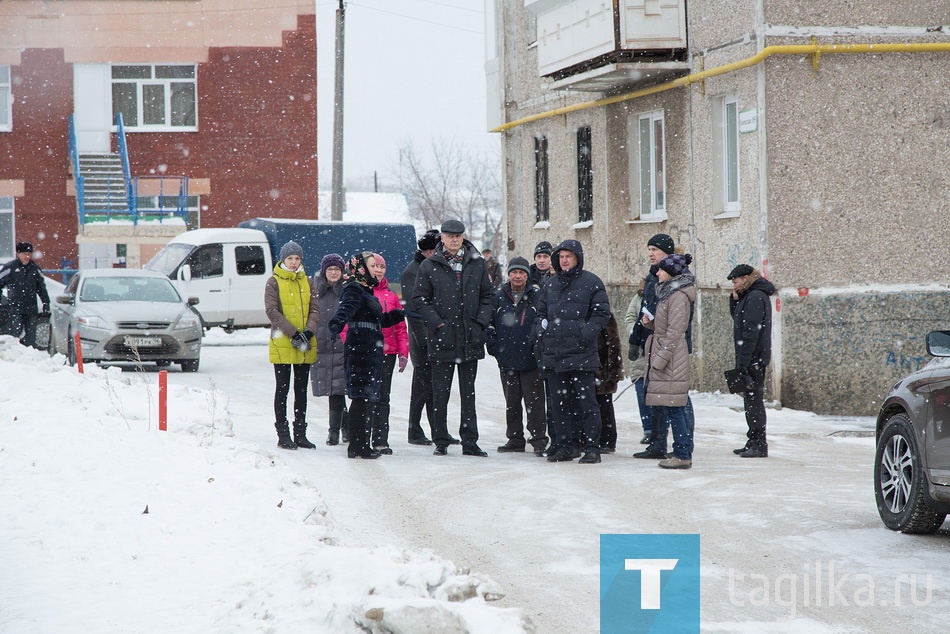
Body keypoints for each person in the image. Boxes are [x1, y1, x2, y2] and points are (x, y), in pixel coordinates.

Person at [412, 219, 494, 457]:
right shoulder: (429, 266)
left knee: (468, 394)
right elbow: (419, 299)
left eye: (458, 236)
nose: (454, 240)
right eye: (450, 236)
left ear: (463, 237)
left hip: (470, 338)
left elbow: (487, 296)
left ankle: (470, 441)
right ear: (442, 238)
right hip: (442, 338)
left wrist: (479, 323)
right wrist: (438, 323)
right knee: (440, 393)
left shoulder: (477, 264)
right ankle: (441, 439)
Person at [535, 239, 611, 464]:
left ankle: (591, 448)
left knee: (586, 404)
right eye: (561, 256)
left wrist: (584, 333)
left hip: (581, 355)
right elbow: (539, 313)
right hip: (555, 355)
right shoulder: (550, 284)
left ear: (577, 257)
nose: (564, 260)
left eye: (568, 256)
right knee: (559, 405)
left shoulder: (591, 282)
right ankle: (565, 445)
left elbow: (601, 314)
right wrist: (542, 329)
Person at [327, 251, 405, 459]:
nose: (376, 270)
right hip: (360, 348)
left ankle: (360, 445)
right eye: (372, 266)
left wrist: (399, 314)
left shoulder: (367, 290)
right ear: (361, 268)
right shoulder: (354, 288)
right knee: (361, 398)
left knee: (366, 398)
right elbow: (346, 309)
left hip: (370, 347)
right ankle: (357, 446)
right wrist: (336, 323)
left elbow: (376, 320)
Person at [632, 234, 696, 460]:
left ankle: (683, 449)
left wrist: (659, 358)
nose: (651, 254)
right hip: (660, 349)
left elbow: (676, 329)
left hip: (670, 353)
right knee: (660, 399)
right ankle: (659, 444)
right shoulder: (659, 283)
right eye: (648, 249)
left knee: (677, 401)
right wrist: (645, 329)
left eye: (655, 249)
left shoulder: (677, 290)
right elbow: (658, 315)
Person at [486, 256, 547, 455]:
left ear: (527, 275)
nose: (518, 276)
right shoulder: (499, 296)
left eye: (521, 272)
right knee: (511, 402)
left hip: (531, 360)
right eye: (514, 272)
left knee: (535, 402)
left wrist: (537, 347)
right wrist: (494, 346)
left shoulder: (537, 295)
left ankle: (538, 440)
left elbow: (543, 322)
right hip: (507, 358)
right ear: (509, 274)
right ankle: (515, 439)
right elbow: (489, 324)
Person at [264, 241, 319, 450]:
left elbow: (315, 309)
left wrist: (308, 332)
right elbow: (272, 311)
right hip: (283, 343)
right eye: (290, 259)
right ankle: (283, 433)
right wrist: (293, 333)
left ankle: (300, 433)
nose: (294, 262)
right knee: (283, 389)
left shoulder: (308, 282)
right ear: (283, 260)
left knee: (301, 390)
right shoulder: (273, 282)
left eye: (297, 258)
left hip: (304, 342)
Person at [728, 263, 776, 458]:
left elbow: (751, 332)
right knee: (750, 402)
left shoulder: (756, 297)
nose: (734, 285)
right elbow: (738, 319)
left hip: (754, 358)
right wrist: (734, 300)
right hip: (751, 357)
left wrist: (743, 362)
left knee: (754, 402)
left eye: (736, 281)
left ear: (747, 278)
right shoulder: (749, 295)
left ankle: (759, 443)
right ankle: (753, 439)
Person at [400, 229, 440, 446]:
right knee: (422, 385)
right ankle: (414, 429)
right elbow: (413, 310)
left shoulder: (429, 267)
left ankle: (436, 430)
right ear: (427, 251)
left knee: (433, 386)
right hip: (421, 337)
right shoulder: (412, 272)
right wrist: (424, 340)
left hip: (433, 334)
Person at [370, 253, 409, 455]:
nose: (378, 270)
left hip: (388, 352)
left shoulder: (392, 296)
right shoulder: (361, 292)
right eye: (375, 266)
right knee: (367, 395)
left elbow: (400, 327)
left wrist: (404, 352)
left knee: (383, 396)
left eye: (382, 267)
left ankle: (380, 439)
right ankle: (361, 435)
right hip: (367, 351)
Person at [310, 253, 349, 446]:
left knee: (339, 389)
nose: (333, 273)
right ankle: (340, 428)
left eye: (337, 269)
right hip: (323, 345)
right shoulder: (316, 291)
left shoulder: (348, 291)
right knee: (333, 389)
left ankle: (338, 429)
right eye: (330, 269)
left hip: (343, 345)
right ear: (324, 272)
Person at [0, 242, 50, 348]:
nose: (27, 257)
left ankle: (29, 357)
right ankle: (14, 356)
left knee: (31, 338)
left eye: (29, 254)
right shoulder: (10, 267)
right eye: (24, 254)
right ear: (18, 254)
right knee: (14, 335)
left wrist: (46, 303)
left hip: (31, 309)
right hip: (15, 309)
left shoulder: (35, 269)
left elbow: (41, 288)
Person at [623, 278, 650, 444]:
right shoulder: (640, 296)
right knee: (642, 394)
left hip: (656, 349)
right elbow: (630, 317)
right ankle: (648, 429)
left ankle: (659, 431)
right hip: (640, 352)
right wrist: (636, 335)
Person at [596, 313, 625, 454]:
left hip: (603, 369)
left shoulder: (604, 315)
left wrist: (614, 370)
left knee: (604, 406)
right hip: (593, 368)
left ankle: (607, 440)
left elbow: (614, 344)